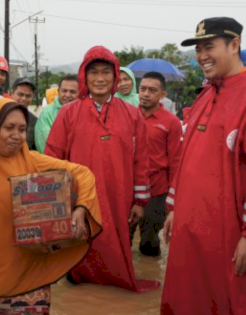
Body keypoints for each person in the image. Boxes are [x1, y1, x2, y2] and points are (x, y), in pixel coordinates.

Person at [160, 17, 246, 315]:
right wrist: (174, 209)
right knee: (190, 299)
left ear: (235, 45)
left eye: (209, 46)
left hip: (231, 233)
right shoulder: (206, 95)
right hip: (192, 229)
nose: (202, 56)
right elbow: (186, 159)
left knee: (237, 299)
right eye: (198, 49)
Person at [0, 98, 102, 314]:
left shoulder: (33, 161)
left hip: (29, 278)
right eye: (9, 128)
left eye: (22, 129)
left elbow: (83, 174)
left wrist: (81, 209)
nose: (17, 136)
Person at [45, 46, 158, 292]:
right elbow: (52, 159)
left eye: (106, 72)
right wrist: (57, 204)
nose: (99, 78)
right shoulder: (68, 113)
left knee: (116, 246)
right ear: (84, 77)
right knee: (79, 252)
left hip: (120, 196)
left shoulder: (132, 114)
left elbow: (142, 159)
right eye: (93, 72)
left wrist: (140, 200)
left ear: (115, 76)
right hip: (80, 200)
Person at [129, 71, 181, 257]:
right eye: (142, 89)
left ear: (163, 95)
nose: (145, 94)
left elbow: (176, 161)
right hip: (129, 188)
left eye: (152, 90)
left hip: (156, 191)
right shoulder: (128, 116)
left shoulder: (171, 122)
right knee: (122, 240)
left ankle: (152, 278)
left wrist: (173, 198)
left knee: (149, 243)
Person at [34, 74, 79, 153]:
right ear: (58, 91)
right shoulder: (47, 113)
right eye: (64, 91)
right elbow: (43, 145)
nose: (68, 95)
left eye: (73, 92)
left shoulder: (85, 112)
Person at [10, 77, 39, 150]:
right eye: (20, 94)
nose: (24, 99)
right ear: (12, 93)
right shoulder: (1, 115)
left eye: (28, 96)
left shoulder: (35, 121)